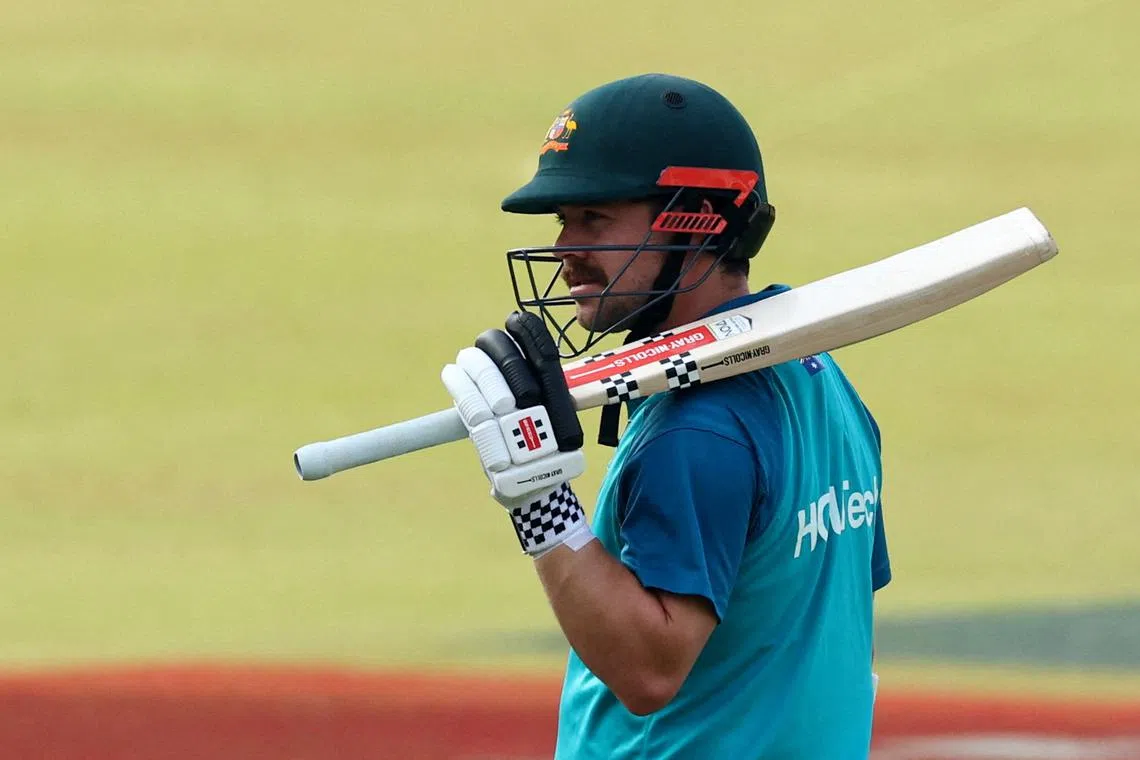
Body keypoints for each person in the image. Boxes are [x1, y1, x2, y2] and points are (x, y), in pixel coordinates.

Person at [439, 73, 892, 759]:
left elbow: (649, 670)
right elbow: (840, 604)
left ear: (695, 220)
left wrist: (539, 498)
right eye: (564, 221)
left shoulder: (697, 431)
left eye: (594, 219)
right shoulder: (819, 376)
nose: (565, 250)